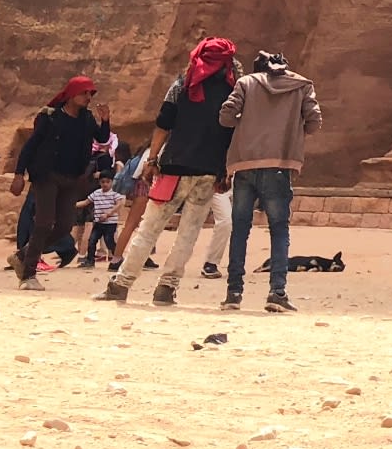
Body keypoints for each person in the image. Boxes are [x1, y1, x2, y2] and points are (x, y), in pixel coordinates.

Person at [100, 37, 237, 305]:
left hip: (173, 167)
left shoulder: (182, 84)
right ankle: (167, 288)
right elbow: (234, 134)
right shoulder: (234, 91)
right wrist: (227, 170)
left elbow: (162, 125)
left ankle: (121, 284)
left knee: (149, 228)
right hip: (209, 172)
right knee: (189, 232)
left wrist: (152, 160)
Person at [219, 49, 322, 312]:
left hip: (245, 164)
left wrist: (247, 123)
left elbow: (226, 117)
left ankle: (233, 294)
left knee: (240, 229)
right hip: (280, 164)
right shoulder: (301, 86)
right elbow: (314, 122)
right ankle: (277, 292)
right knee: (279, 229)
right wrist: (293, 131)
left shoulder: (246, 83)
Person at [11, 76, 110, 289]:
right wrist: (19, 174)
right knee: (44, 222)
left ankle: (24, 254)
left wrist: (106, 120)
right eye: (84, 93)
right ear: (72, 94)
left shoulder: (87, 118)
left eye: (90, 94)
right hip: (46, 175)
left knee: (64, 226)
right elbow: (30, 146)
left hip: (71, 178)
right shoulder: (51, 117)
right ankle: (28, 275)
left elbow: (101, 139)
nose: (88, 98)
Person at [81, 175, 121, 266]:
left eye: (107, 182)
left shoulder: (114, 193)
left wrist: (108, 214)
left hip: (110, 223)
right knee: (92, 240)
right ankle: (90, 261)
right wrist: (72, 205)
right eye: (103, 182)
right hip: (98, 223)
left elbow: (119, 204)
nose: (105, 184)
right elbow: (86, 202)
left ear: (111, 182)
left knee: (109, 241)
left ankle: (118, 259)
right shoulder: (96, 193)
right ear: (100, 183)